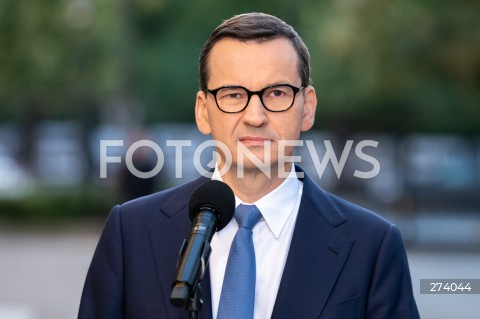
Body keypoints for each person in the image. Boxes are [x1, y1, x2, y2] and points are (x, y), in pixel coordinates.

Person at [78, 12, 420, 319]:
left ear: (308, 107)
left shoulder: (371, 246)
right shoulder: (131, 233)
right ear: (202, 110)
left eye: (276, 93)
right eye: (232, 94)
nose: (255, 116)